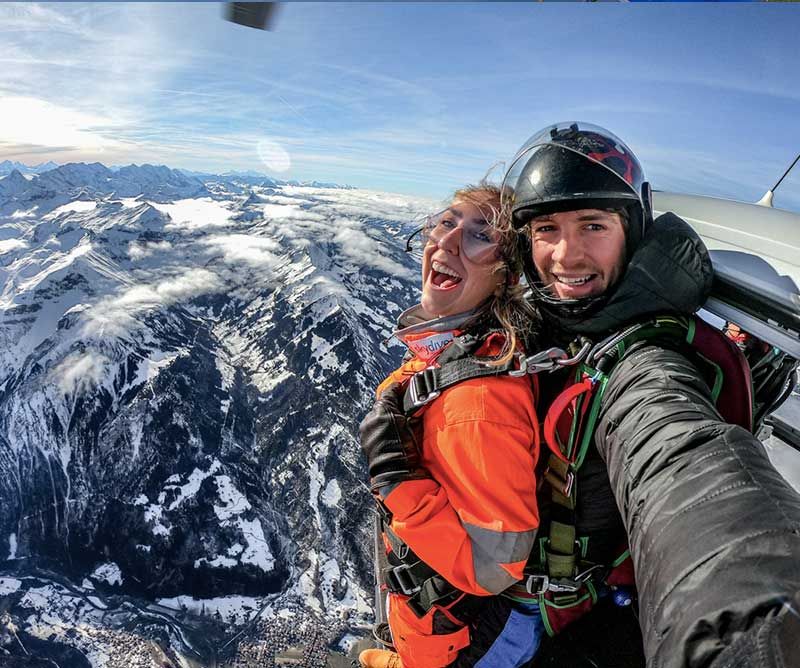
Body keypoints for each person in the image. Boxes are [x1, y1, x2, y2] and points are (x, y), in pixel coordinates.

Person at [364, 122, 800, 668]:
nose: (567, 255)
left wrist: (754, 632)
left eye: (593, 225)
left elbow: (684, 466)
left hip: (511, 624)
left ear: (632, 231)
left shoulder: (643, 363)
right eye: (547, 228)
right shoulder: (554, 322)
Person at [359, 184, 547, 668]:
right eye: (447, 222)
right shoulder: (456, 352)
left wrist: (400, 486)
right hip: (439, 634)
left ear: (507, 275)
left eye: (481, 234)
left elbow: (494, 568)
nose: (447, 241)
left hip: (470, 647)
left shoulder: (476, 402)